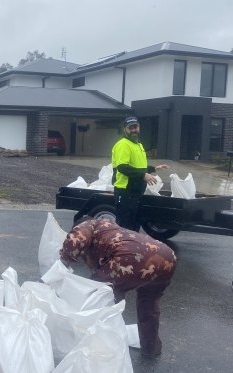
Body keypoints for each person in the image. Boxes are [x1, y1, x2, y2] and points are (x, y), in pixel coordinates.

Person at [60, 216, 176, 358]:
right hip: (167, 256)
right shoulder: (111, 229)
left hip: (130, 258)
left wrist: (62, 261)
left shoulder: (90, 224)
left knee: (102, 298)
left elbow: (75, 239)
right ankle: (151, 349)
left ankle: (103, 349)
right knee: (149, 305)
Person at [112, 116, 169, 231]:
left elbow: (139, 167)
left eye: (135, 127)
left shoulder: (138, 145)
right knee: (125, 228)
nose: (133, 130)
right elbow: (123, 167)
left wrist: (154, 168)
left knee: (134, 227)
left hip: (136, 193)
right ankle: (123, 248)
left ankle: (131, 248)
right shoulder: (123, 144)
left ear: (139, 128)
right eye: (130, 128)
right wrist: (144, 175)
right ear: (125, 129)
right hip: (125, 192)